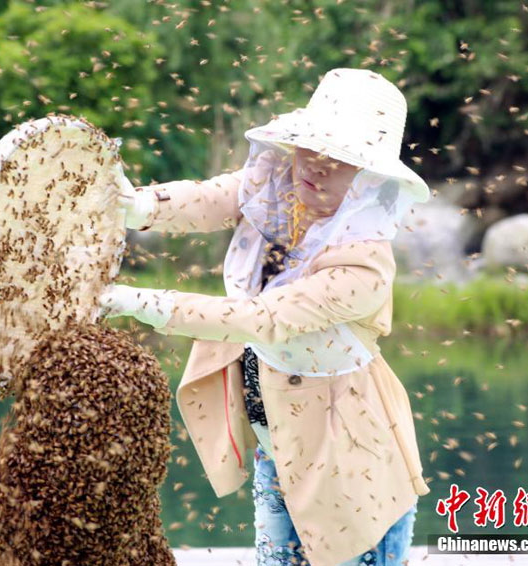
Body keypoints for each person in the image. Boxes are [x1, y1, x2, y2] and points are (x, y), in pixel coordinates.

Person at [100, 68, 432, 566]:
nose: (315, 166)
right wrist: (138, 205)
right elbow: (217, 196)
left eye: (339, 159)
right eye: (310, 147)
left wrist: (134, 302)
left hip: (349, 463)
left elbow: (263, 319)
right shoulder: (280, 188)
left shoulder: (365, 263)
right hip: (278, 448)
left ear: (368, 177)